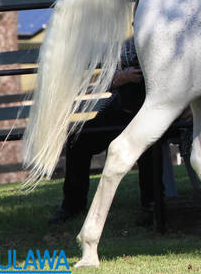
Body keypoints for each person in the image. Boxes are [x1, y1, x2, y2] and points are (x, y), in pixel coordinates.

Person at [48, 40, 156, 226]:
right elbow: (105, 80)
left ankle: (151, 206)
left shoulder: (162, 40)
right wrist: (121, 77)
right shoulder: (127, 45)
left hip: (151, 111)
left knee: (149, 145)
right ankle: (72, 205)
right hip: (121, 108)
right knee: (77, 138)